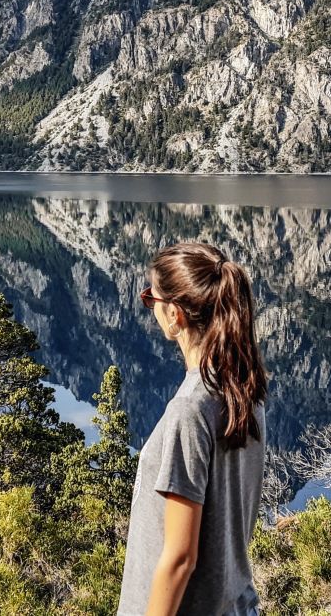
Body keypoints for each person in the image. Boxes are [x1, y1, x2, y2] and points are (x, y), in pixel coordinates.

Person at [117, 242, 268, 616]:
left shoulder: (191, 409)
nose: (149, 307)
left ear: (175, 315)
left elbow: (180, 557)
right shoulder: (244, 390)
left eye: (150, 298)